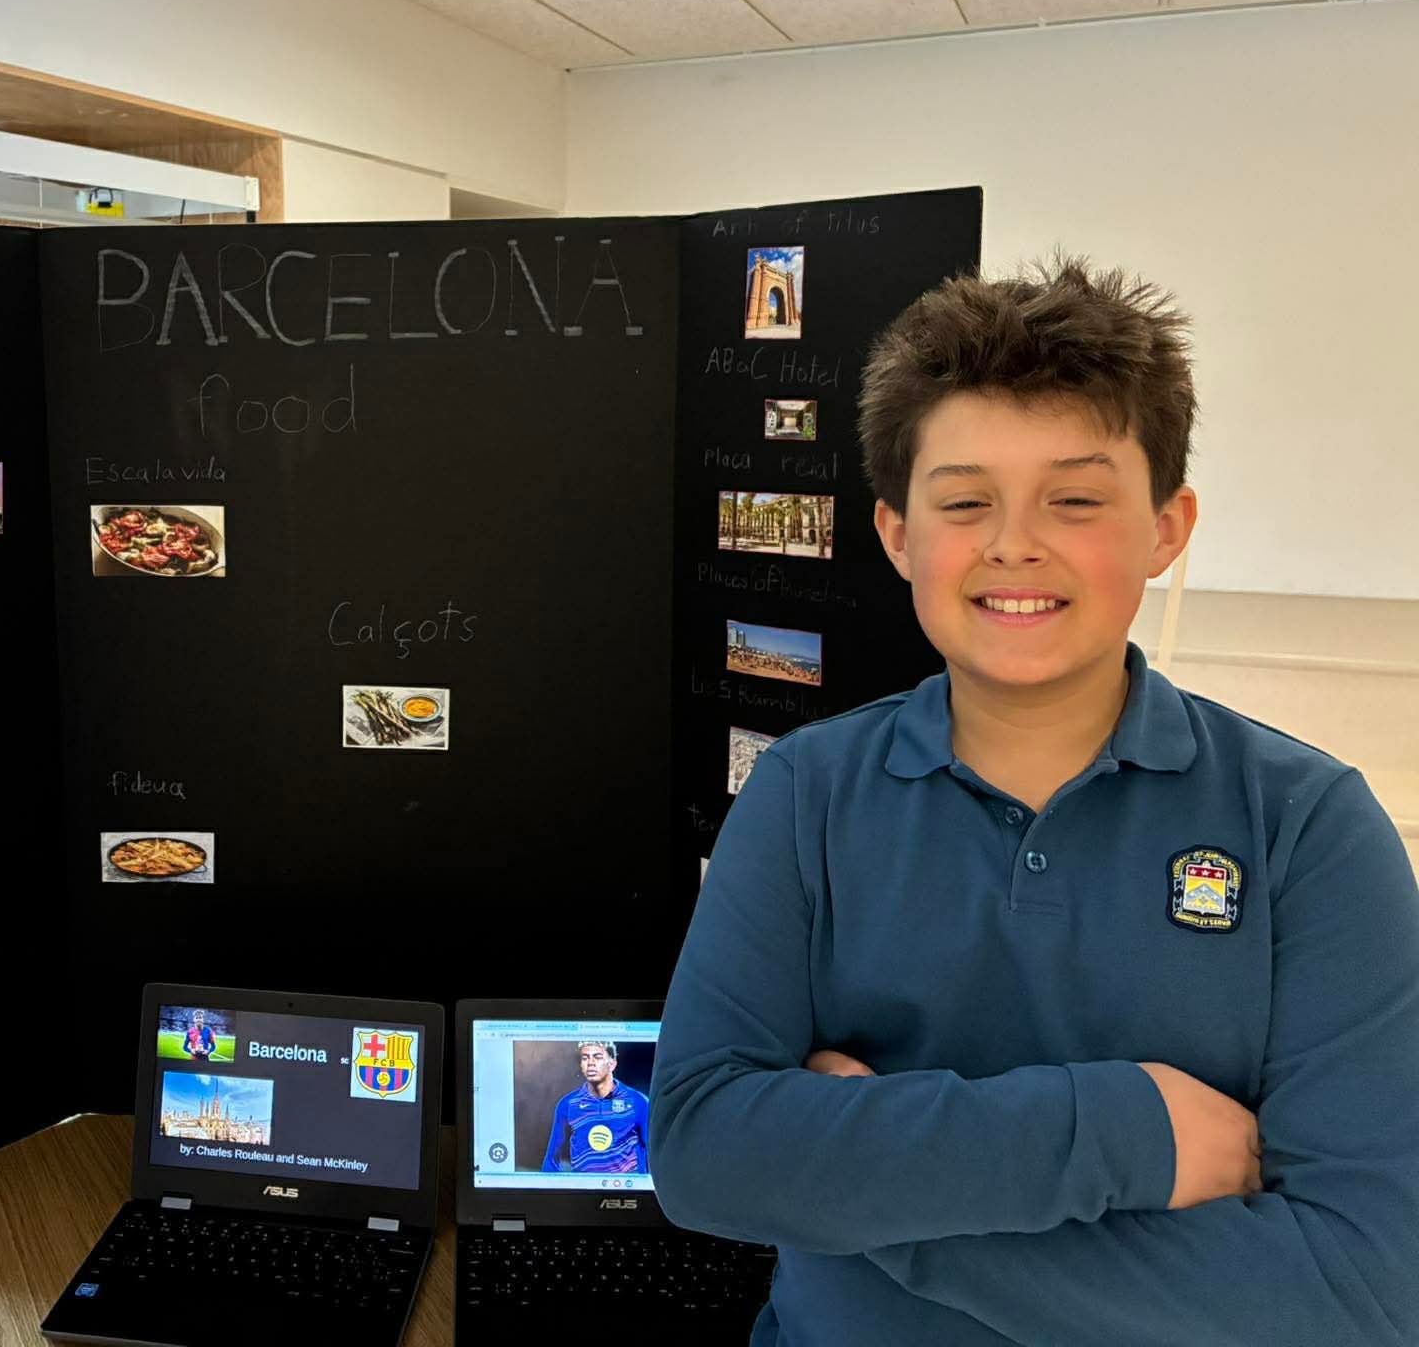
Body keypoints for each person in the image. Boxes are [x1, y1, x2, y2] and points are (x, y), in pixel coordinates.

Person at [651, 258, 1419, 1345]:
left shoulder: (1306, 828)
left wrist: (867, 1200)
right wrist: (1122, 1130)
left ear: (1166, 526)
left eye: (1076, 500)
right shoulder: (804, 794)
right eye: (966, 502)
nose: (1014, 543)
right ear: (897, 535)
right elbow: (701, 1151)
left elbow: (1361, 1295)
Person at [540, 1040, 651, 1175]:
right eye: (585, 1058)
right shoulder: (568, 1104)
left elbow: (654, 1152)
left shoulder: (638, 1102)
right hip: (584, 1187)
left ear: (612, 1064)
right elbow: (551, 1160)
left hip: (626, 1186)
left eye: (597, 1057)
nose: (590, 1063)